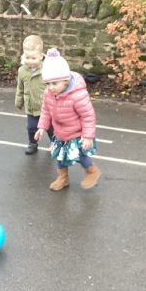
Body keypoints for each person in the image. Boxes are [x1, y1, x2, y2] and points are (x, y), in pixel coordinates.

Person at [35, 48, 101, 191]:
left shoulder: (78, 95)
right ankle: (63, 178)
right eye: (47, 84)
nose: (50, 88)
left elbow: (88, 116)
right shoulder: (49, 94)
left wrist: (87, 136)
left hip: (77, 134)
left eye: (54, 84)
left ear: (65, 81)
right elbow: (46, 111)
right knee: (60, 156)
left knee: (80, 155)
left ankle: (91, 171)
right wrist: (42, 127)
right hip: (60, 133)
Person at [15, 35, 53, 154]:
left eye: (33, 58)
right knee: (31, 127)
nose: (30, 61)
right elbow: (20, 87)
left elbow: (55, 87)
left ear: (41, 56)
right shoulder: (22, 71)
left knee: (50, 127)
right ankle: (32, 143)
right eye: (27, 57)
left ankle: (54, 142)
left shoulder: (47, 69)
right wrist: (19, 101)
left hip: (47, 107)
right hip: (31, 107)